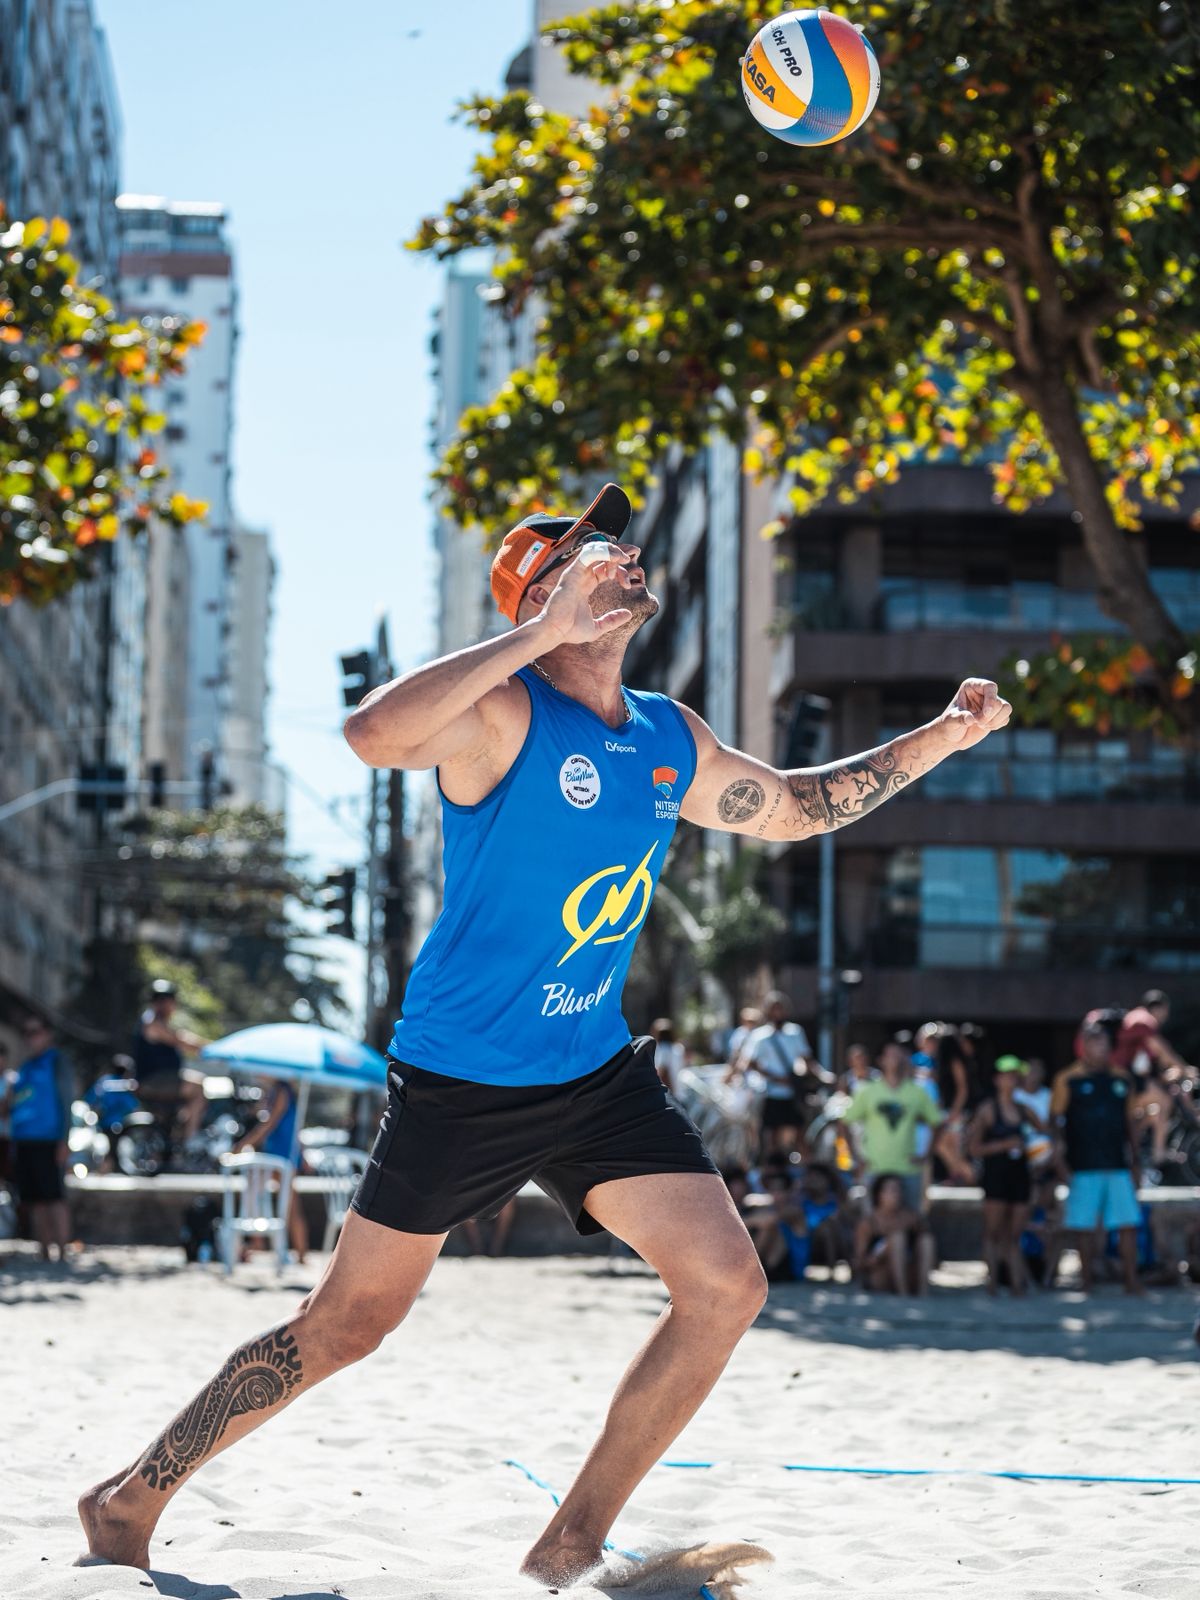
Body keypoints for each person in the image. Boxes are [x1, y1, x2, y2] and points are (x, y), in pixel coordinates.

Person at [78, 482, 1011, 1580]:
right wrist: (536, 634)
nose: (623, 555)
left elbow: (798, 808)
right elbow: (370, 733)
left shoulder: (667, 734)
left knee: (727, 1286)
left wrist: (945, 738)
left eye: (622, 543)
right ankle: (129, 1500)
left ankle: (569, 1543)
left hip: (593, 1074)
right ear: (542, 596)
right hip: (462, 1078)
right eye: (589, 551)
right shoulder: (502, 714)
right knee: (348, 1325)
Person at [1052, 1016, 1143, 1296]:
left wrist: (1136, 1161)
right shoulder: (1068, 1079)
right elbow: (1055, 1122)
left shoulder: (1122, 1079)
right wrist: (1059, 1160)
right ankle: (1087, 1283)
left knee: (1127, 1225)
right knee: (1083, 1228)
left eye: (1102, 1041)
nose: (1098, 1047)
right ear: (1083, 1045)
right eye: (1092, 1041)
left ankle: (1131, 1283)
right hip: (1083, 1166)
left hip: (1117, 1164)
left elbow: (1130, 1123)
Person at [841, 1039, 968, 1211]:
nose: (895, 1060)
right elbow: (844, 1122)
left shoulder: (918, 1091)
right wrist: (856, 1157)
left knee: (912, 1219)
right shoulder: (867, 1091)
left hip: (909, 1168)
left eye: (899, 1055)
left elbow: (937, 1123)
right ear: (881, 1060)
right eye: (890, 1055)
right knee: (872, 1220)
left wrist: (926, 1155)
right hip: (875, 1168)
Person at [968, 1056, 1042, 1297]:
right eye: (1007, 1076)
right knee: (993, 1232)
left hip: (1020, 1176)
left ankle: (1016, 1283)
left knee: (1014, 1234)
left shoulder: (1025, 1111)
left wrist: (1042, 1155)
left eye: (1015, 1076)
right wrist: (1003, 1145)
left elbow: (1047, 1137)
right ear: (997, 1079)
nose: (1011, 1080)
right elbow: (974, 1148)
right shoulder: (987, 1110)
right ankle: (992, 1282)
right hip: (996, 1176)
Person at [5, 1017, 74, 1262]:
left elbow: (66, 1101)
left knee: (54, 1196)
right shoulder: (25, 1067)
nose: (30, 1037)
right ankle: (43, 1250)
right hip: (24, 1140)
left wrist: (64, 1140)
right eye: (26, 1032)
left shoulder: (56, 1061)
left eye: (35, 1032)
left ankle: (62, 1251)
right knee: (34, 1199)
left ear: (47, 1034)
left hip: (49, 1139)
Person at [732, 991, 818, 1158]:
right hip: (771, 1093)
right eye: (774, 1009)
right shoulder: (760, 1036)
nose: (777, 1013)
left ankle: (805, 1165)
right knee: (771, 1137)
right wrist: (775, 1078)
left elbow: (806, 1059)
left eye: (780, 1008)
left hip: (793, 1093)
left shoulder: (795, 1032)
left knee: (800, 1133)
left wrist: (819, 1075)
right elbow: (749, 1062)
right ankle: (772, 1166)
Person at [1114, 990, 1189, 1172]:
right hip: (1123, 1077)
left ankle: (1135, 1148)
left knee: (1152, 1112)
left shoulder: (1135, 1020)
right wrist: (1183, 1068)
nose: (1166, 1016)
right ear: (1159, 1008)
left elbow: (1149, 1062)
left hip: (1125, 1077)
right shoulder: (1144, 1019)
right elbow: (1161, 1049)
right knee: (1164, 1100)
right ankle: (1157, 1154)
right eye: (1165, 1011)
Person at [236, 1076, 308, 1264]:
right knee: (260, 1195)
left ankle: (258, 1242)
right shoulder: (276, 1091)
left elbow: (270, 1123)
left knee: (284, 1204)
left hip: (281, 1155)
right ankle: (295, 1252)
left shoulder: (282, 1090)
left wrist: (243, 1145)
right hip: (279, 1154)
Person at [131, 981, 207, 1143]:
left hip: (163, 1079)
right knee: (197, 1086)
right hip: (154, 1081)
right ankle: (191, 1140)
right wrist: (210, 1048)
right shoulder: (152, 1023)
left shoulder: (155, 1021)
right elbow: (181, 1040)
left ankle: (178, 1134)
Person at [853, 1174, 936, 1296]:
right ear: (879, 1194)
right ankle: (902, 1291)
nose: (896, 1194)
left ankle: (923, 1291)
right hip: (881, 1275)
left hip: (910, 1272)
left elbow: (930, 1256)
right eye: (891, 1190)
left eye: (899, 1190)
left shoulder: (911, 1218)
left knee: (926, 1240)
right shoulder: (868, 1223)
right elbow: (858, 1263)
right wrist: (882, 1252)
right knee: (897, 1238)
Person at [650, 1017, 686, 1099]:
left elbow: (663, 1073)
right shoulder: (679, 1048)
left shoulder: (662, 1049)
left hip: (668, 1096)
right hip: (680, 1094)